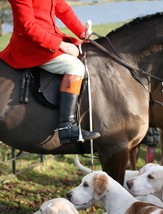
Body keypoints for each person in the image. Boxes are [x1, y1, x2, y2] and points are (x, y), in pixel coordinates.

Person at [0, 0, 100, 144]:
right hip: (31, 46)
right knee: (75, 67)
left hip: (49, 38)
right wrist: (61, 45)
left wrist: (83, 34)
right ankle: (67, 127)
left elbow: (63, 9)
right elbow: (27, 27)